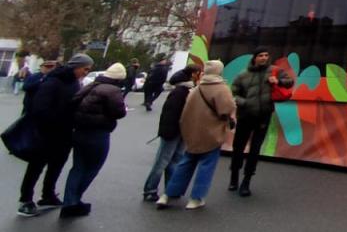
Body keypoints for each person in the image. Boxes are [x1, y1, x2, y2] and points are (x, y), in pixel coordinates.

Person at [17, 52, 93, 217]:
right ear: (76, 67)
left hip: (64, 134)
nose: (86, 72)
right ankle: (25, 200)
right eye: (85, 69)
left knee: (56, 166)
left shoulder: (74, 83)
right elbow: (40, 108)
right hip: (46, 133)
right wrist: (58, 121)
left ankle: (48, 195)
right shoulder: (53, 81)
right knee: (36, 167)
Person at [157, 60, 235, 211]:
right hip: (212, 133)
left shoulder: (196, 88)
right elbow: (226, 109)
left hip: (193, 132)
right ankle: (196, 198)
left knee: (185, 163)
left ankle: (168, 194)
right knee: (206, 166)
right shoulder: (222, 89)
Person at [60, 62, 128, 218]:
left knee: (77, 168)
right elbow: (119, 112)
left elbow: (73, 103)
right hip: (98, 133)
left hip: (79, 131)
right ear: (119, 79)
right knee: (93, 167)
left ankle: (69, 202)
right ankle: (75, 200)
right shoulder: (113, 90)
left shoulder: (91, 86)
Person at [228, 47, 294, 197]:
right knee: (238, 147)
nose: (264, 58)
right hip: (244, 116)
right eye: (260, 55)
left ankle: (246, 181)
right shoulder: (243, 75)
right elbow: (233, 93)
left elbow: (290, 82)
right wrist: (244, 103)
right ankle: (234, 177)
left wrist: (278, 81)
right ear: (254, 58)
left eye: (266, 55)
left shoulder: (274, 71)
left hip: (263, 116)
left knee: (255, 149)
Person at [141, 63, 201, 202]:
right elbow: (169, 114)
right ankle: (150, 190)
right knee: (163, 161)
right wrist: (168, 131)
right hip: (173, 131)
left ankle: (171, 189)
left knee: (175, 160)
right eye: (200, 73)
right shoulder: (181, 91)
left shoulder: (187, 90)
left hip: (180, 131)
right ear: (193, 74)